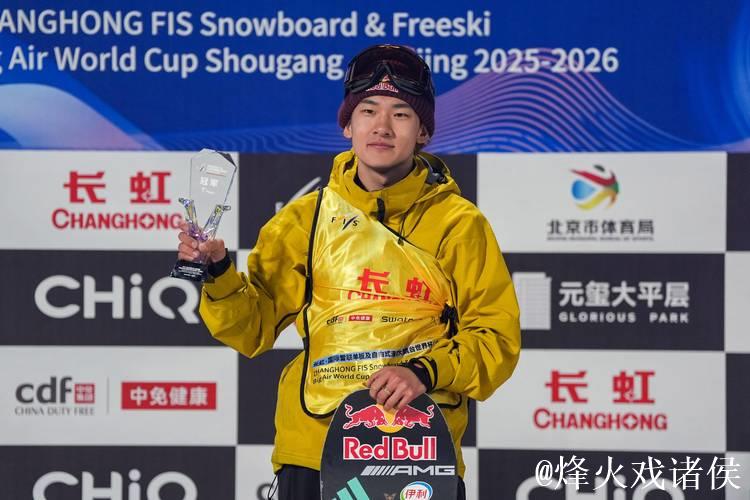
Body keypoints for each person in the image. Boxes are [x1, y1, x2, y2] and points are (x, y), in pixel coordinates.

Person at [176, 44, 521, 500]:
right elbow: (250, 329)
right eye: (368, 110)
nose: (382, 126)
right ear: (347, 126)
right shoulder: (304, 219)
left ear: (423, 132)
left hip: (419, 450)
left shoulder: (459, 224)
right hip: (314, 452)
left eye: (401, 114)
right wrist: (218, 272)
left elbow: (497, 340)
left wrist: (424, 371)